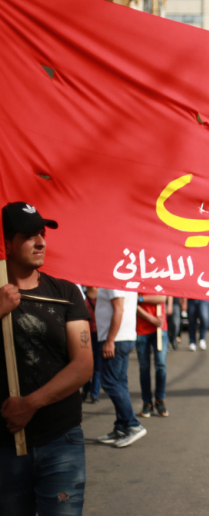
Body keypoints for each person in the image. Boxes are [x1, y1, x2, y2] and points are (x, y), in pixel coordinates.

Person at [0, 202, 93, 515]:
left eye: (42, 233)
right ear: (7, 244)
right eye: (29, 235)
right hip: (4, 446)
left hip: (60, 440)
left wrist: (30, 404)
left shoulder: (66, 293)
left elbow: (83, 365)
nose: (41, 242)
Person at [94, 287, 146, 447]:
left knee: (111, 383)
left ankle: (133, 425)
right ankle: (121, 427)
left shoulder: (113, 280)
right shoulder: (124, 278)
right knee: (119, 383)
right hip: (123, 337)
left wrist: (110, 340)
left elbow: (119, 309)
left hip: (116, 339)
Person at [134, 295, 168, 418]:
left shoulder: (159, 278)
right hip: (141, 329)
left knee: (161, 365)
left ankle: (160, 400)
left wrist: (141, 299)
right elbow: (133, 303)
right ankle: (147, 403)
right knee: (144, 368)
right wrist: (151, 319)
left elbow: (162, 298)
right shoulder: (136, 282)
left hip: (160, 327)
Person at [80, 286, 102, 404]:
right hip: (85, 334)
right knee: (86, 364)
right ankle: (86, 390)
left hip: (99, 334)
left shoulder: (102, 296)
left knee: (97, 365)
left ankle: (94, 393)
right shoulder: (82, 294)